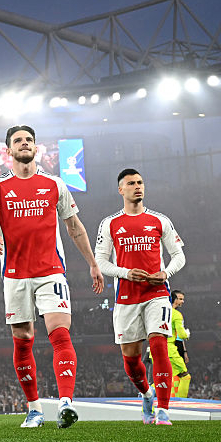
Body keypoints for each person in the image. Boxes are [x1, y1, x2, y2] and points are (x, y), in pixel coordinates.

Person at [0, 125, 104, 429]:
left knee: (60, 333)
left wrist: (93, 263)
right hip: (14, 274)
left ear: (37, 148)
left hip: (51, 271)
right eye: (18, 141)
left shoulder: (54, 184)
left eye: (29, 140)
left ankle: (65, 403)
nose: (24, 144)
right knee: (22, 341)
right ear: (8, 151)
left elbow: (75, 227)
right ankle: (34, 409)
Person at [94, 168, 186, 426]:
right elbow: (100, 261)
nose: (138, 186)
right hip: (126, 297)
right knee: (131, 360)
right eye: (131, 183)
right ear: (120, 190)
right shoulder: (110, 223)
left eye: (140, 182)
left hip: (157, 294)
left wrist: (166, 272)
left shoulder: (160, 221)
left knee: (159, 348)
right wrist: (125, 272)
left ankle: (164, 410)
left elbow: (179, 255)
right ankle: (146, 394)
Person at [167, 291, 191, 398]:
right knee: (185, 376)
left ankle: (147, 393)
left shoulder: (161, 312)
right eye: (180, 299)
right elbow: (181, 335)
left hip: (156, 349)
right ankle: (181, 403)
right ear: (175, 300)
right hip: (170, 349)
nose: (182, 301)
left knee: (166, 377)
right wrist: (187, 334)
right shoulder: (176, 314)